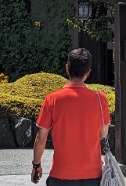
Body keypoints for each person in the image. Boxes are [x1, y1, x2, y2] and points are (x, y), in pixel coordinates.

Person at [31, 48, 110, 185]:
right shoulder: (100, 98)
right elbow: (103, 134)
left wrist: (36, 165)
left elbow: (40, 139)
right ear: (88, 73)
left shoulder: (52, 99)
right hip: (93, 175)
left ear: (67, 69)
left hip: (61, 174)